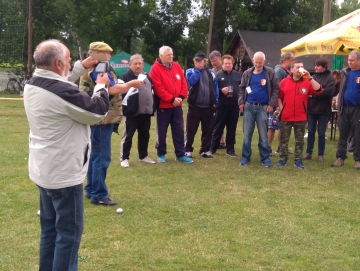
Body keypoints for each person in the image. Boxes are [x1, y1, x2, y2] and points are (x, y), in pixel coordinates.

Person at [23, 39, 110, 271]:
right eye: (69, 61)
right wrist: (101, 86)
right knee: (69, 235)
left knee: (50, 230)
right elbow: (96, 112)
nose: (71, 65)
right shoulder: (61, 91)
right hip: (63, 174)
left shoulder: (33, 83)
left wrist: (82, 65)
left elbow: (59, 82)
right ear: (59, 62)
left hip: (44, 169)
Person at [79, 42, 143, 205]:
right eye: (106, 53)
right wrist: (131, 85)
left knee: (95, 155)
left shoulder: (93, 67)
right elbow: (111, 89)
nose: (109, 56)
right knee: (101, 156)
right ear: (96, 54)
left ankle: (91, 189)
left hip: (96, 117)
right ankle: (99, 195)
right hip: (102, 118)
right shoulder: (99, 68)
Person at [149, 45, 193, 163]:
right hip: (163, 106)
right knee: (162, 132)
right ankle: (161, 153)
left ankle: (180, 154)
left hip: (177, 106)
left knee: (179, 131)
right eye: (168, 55)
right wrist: (171, 99)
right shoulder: (155, 69)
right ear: (161, 56)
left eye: (172, 55)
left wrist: (180, 97)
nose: (171, 57)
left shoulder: (177, 66)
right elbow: (158, 88)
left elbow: (184, 83)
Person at [277, 60, 322, 169]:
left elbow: (319, 89)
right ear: (292, 69)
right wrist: (282, 109)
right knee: (284, 139)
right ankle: (283, 159)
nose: (300, 69)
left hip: (301, 116)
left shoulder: (307, 82)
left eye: (302, 67)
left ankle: (298, 160)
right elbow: (279, 97)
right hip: (286, 116)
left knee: (300, 140)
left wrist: (310, 78)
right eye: (297, 67)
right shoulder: (284, 81)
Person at [238, 51, 279, 167]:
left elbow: (276, 88)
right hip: (249, 107)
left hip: (264, 107)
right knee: (247, 134)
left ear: (264, 61)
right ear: (253, 61)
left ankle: (265, 158)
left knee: (263, 135)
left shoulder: (270, 72)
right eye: (256, 62)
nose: (258, 64)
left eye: (260, 62)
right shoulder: (247, 73)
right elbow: (241, 88)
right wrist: (241, 102)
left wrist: (271, 103)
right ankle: (245, 157)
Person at [119, 54, 156, 168]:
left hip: (146, 112)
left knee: (145, 135)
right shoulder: (124, 77)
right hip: (132, 112)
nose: (138, 66)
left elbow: (152, 92)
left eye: (140, 63)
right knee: (128, 136)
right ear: (130, 64)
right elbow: (119, 93)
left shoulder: (147, 76)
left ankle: (143, 156)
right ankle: (124, 158)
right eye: (135, 63)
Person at [185, 51, 219, 159]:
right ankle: (188, 149)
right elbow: (191, 82)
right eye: (196, 60)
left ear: (205, 61)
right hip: (194, 106)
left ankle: (204, 150)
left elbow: (216, 89)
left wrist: (216, 102)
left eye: (200, 61)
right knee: (191, 129)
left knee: (208, 130)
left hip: (209, 107)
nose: (198, 62)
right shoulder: (190, 71)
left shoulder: (212, 73)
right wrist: (197, 70)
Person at [331, 50, 360, 169]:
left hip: (357, 109)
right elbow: (339, 89)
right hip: (344, 108)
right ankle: (340, 158)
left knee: (357, 135)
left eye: (352, 60)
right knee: (342, 134)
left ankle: (358, 160)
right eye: (348, 60)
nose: (349, 62)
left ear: (359, 60)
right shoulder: (344, 72)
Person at [303, 58, 335, 162]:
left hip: (323, 110)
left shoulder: (330, 78)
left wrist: (314, 95)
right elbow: (308, 91)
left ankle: (320, 154)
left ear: (324, 66)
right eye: (315, 65)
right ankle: (309, 153)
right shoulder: (313, 77)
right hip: (311, 109)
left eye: (318, 65)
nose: (316, 67)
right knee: (311, 131)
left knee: (321, 132)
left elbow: (328, 92)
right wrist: (314, 94)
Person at [210, 54, 242, 157]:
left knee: (232, 129)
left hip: (234, 106)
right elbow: (212, 90)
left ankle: (230, 150)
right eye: (225, 63)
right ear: (222, 64)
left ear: (232, 64)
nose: (227, 65)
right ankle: (212, 148)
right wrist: (220, 90)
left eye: (229, 63)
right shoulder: (218, 75)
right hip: (222, 106)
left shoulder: (237, 75)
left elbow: (242, 88)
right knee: (218, 128)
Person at [271, 52, 295, 155]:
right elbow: (277, 88)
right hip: (278, 105)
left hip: (285, 104)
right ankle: (269, 148)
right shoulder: (279, 71)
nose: (293, 63)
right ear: (286, 60)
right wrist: (277, 104)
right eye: (292, 60)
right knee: (272, 125)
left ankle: (281, 147)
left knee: (283, 126)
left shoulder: (286, 71)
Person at [209, 50, 226, 149]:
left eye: (214, 61)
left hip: (223, 100)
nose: (213, 63)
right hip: (214, 99)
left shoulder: (224, 70)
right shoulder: (212, 70)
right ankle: (221, 141)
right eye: (211, 61)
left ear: (220, 59)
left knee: (220, 121)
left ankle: (221, 141)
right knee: (215, 121)